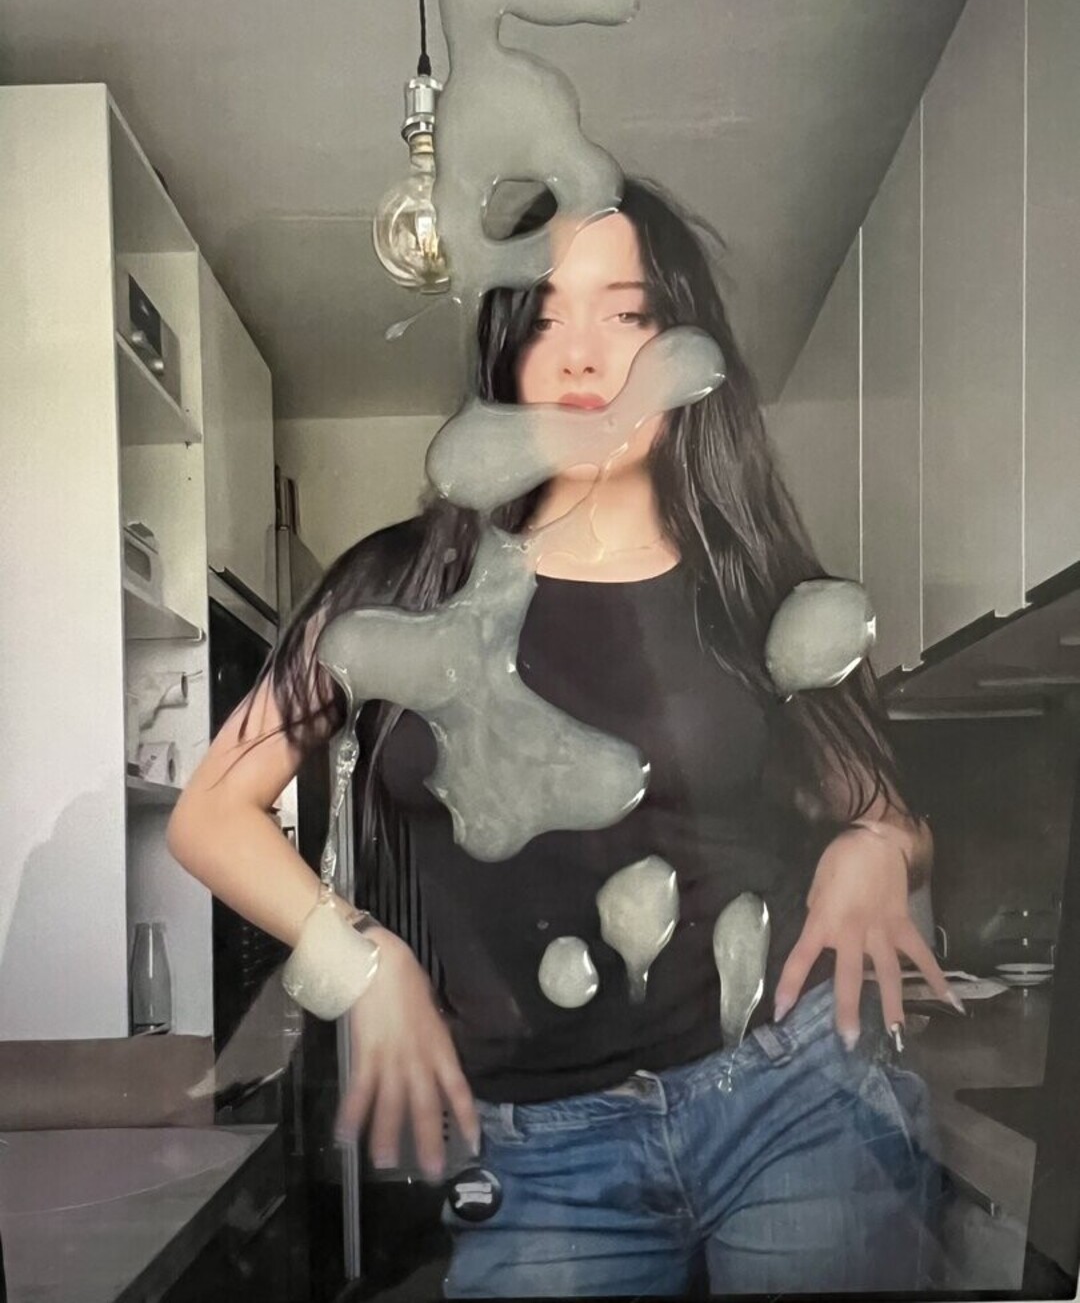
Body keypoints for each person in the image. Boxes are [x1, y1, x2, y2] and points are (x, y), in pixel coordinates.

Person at [168, 177, 955, 1298]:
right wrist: (362, 959)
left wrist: (875, 850)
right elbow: (210, 812)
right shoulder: (400, 582)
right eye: (544, 317)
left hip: (787, 1093)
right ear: (507, 355)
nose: (582, 355)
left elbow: (886, 810)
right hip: (542, 1152)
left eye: (626, 313)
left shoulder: (753, 588)